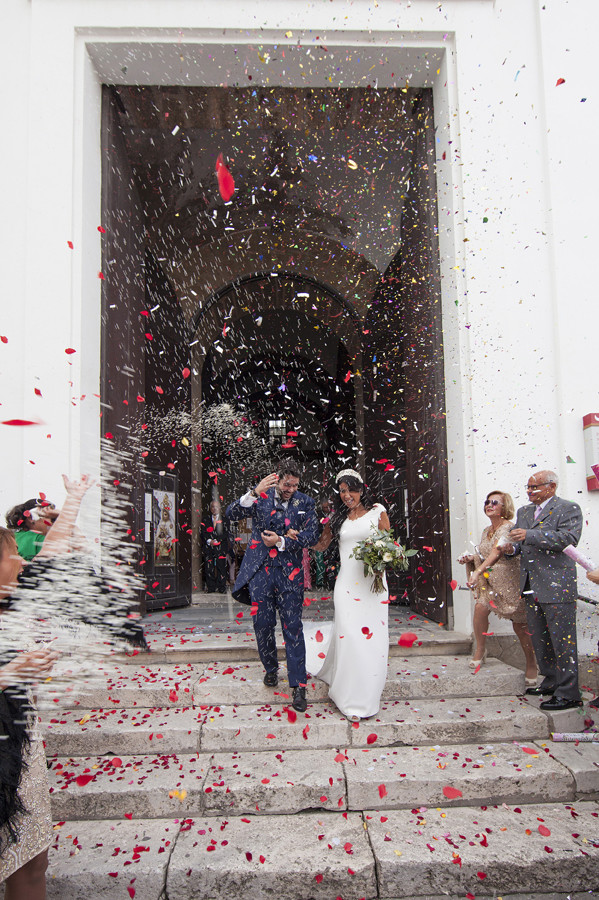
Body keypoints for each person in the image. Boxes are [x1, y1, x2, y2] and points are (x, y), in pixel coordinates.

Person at [226, 459, 319, 713]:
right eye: (287, 484)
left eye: (295, 485)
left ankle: (299, 687)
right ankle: (270, 668)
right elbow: (230, 514)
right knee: (263, 624)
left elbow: (313, 535)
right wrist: (254, 492)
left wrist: (282, 541)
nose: (291, 489)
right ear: (277, 479)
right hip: (260, 573)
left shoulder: (306, 503)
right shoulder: (260, 496)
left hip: (291, 574)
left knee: (293, 627)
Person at [0, 527, 59, 898]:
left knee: (32, 860)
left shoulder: (9, 604)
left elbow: (50, 557)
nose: (22, 560)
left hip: (21, 746)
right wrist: (12, 673)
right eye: (12, 554)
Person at [308, 468, 391, 720]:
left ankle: (368, 692)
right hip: (346, 586)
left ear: (361, 490)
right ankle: (347, 694)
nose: (346, 495)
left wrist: (383, 560)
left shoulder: (378, 511)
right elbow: (321, 545)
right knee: (351, 636)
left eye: (350, 489)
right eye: (342, 491)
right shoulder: (337, 519)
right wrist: (294, 539)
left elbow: (389, 544)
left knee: (371, 639)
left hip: (373, 586)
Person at [505, 470, 583, 711]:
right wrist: (511, 550)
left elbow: (568, 539)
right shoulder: (524, 511)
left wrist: (530, 534)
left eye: (534, 487)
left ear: (552, 487)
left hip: (557, 585)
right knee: (540, 639)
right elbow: (520, 543)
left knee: (563, 641)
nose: (529, 492)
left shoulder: (568, 508)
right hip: (530, 584)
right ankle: (551, 681)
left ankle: (569, 693)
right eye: (528, 487)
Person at [458, 490, 537, 683]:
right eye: (487, 502)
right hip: (491, 581)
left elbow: (497, 553)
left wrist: (477, 571)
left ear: (505, 507)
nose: (489, 505)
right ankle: (480, 649)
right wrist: (472, 559)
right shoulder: (487, 530)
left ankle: (531, 663)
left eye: (494, 502)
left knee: (520, 626)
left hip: (510, 582)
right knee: (480, 608)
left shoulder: (509, 528)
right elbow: (485, 555)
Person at [200, 499, 230, 593]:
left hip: (220, 547)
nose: (214, 508)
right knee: (209, 568)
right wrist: (209, 541)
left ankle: (221, 587)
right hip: (209, 547)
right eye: (213, 506)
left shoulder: (225, 520)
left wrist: (217, 540)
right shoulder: (205, 519)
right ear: (210, 508)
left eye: (216, 506)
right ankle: (211, 587)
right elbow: (203, 533)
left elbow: (226, 533)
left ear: (220, 508)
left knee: (221, 567)